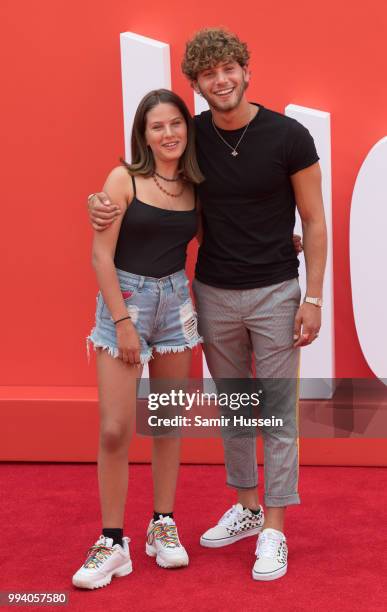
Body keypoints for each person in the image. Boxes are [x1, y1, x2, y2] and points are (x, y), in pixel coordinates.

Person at [89, 27, 327, 582]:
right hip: (211, 292)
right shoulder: (188, 134)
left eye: (229, 69)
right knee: (238, 407)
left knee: (276, 411)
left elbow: (313, 220)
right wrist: (98, 202)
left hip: (275, 292)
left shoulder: (289, 137)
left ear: (246, 71)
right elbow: (147, 180)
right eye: (208, 74)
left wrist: (312, 296)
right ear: (195, 84)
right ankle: (246, 507)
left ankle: (274, 527)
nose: (220, 80)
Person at [72, 89, 204, 590]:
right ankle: (112, 542)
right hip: (125, 302)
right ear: (142, 134)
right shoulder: (122, 179)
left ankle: (162, 524)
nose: (168, 134)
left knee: (167, 421)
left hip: (177, 305)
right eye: (157, 126)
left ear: (186, 130)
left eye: (175, 124)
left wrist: (285, 242)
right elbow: (100, 257)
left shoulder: (196, 184)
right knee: (115, 428)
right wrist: (124, 322)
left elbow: (220, 237)